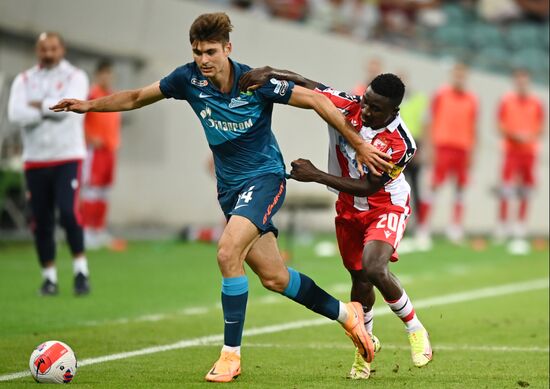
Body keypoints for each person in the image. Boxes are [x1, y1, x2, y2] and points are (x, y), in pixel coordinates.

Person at [50, 13, 393, 383]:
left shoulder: (254, 82)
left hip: (265, 179)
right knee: (275, 277)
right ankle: (348, 315)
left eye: (211, 51)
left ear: (228, 48)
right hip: (229, 189)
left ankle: (231, 356)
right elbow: (135, 96)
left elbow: (314, 99)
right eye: (197, 52)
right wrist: (90, 105)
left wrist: (358, 142)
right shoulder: (188, 79)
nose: (203, 59)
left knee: (228, 252)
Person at [239, 68, 433, 379]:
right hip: (348, 209)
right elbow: (307, 84)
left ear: (393, 111)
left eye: (375, 108)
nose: (366, 110)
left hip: (386, 206)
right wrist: (270, 73)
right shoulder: (348, 106)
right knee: (359, 280)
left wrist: (316, 174)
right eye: (366, 101)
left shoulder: (400, 143)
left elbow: (370, 186)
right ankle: (364, 351)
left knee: (374, 266)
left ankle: (415, 328)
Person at [7, 32, 91, 296]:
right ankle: (49, 278)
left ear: (62, 49)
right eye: (44, 49)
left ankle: (80, 271)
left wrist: (36, 106)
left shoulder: (75, 76)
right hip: (35, 159)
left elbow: (68, 109)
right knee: (41, 219)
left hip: (67, 155)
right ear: (37, 50)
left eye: (53, 48)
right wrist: (47, 108)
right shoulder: (25, 79)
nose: (48, 53)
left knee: (68, 212)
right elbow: (14, 114)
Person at [416, 62, 478, 248]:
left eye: (463, 75)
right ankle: (423, 228)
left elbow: (474, 126)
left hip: (463, 149)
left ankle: (455, 229)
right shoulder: (441, 94)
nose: (460, 78)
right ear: (452, 75)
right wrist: (429, 148)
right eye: (457, 74)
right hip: (442, 147)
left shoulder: (472, 98)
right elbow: (427, 121)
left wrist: (473, 152)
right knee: (433, 187)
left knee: (460, 189)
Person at [495, 68, 544, 254]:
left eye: (525, 81)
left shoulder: (536, 103)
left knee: (526, 190)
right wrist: (514, 135)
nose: (522, 84)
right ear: (515, 82)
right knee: (506, 188)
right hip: (511, 150)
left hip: (529, 152)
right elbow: (499, 125)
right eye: (519, 81)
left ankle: (520, 226)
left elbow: (540, 128)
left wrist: (529, 136)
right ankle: (502, 226)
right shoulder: (506, 101)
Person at [80, 60, 126, 251]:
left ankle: (98, 230)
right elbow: (79, 120)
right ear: (98, 75)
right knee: (91, 190)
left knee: (104, 192)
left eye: (109, 73)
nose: (107, 77)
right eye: (103, 73)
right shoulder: (91, 95)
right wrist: (89, 138)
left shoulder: (113, 96)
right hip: (94, 151)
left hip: (110, 150)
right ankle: (86, 232)